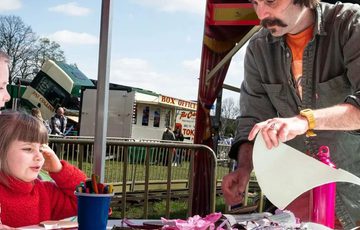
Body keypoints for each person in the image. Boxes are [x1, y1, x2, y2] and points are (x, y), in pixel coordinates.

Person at [221, 0, 360, 228]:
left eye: (271, 1)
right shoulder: (258, 49)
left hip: (354, 193)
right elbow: (251, 119)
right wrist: (245, 167)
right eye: (255, 3)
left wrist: (305, 121)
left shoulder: (349, 24)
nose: (262, 13)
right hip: (298, 198)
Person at [0, 111, 87, 229]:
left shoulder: (45, 192)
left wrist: (60, 170)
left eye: (41, 149)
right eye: (28, 149)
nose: (39, 157)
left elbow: (92, 204)